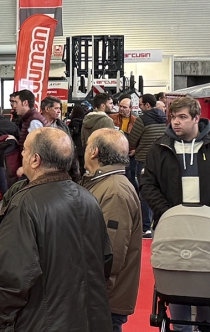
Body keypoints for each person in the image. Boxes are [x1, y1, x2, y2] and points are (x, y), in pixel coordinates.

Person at [0, 128, 111, 331]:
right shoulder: (88, 198)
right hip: (88, 317)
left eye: (24, 150)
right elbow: (104, 260)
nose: (21, 154)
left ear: (35, 159)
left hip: (42, 321)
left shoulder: (24, 205)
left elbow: (12, 279)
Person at [139, 96, 210, 330]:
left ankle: (204, 325)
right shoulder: (160, 148)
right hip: (173, 230)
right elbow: (147, 185)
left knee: (206, 286)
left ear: (197, 118)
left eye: (182, 117)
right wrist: (168, 213)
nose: (176, 122)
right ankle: (181, 328)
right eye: (173, 117)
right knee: (176, 284)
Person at [81, 129, 142, 331]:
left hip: (104, 300)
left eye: (88, 145)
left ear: (94, 152)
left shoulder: (114, 190)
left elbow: (111, 255)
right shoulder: (104, 183)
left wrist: (94, 295)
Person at [127, 93, 165, 237]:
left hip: (144, 160)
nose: (140, 107)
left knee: (144, 193)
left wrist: (135, 147)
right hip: (161, 160)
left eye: (141, 104)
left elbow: (132, 140)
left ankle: (146, 227)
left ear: (147, 105)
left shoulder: (142, 120)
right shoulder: (164, 119)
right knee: (159, 192)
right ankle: (158, 224)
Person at [7, 90, 43, 181]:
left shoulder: (34, 121)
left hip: (32, 170)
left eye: (16, 102)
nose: (14, 106)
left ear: (25, 103)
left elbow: (38, 147)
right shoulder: (29, 119)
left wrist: (26, 167)